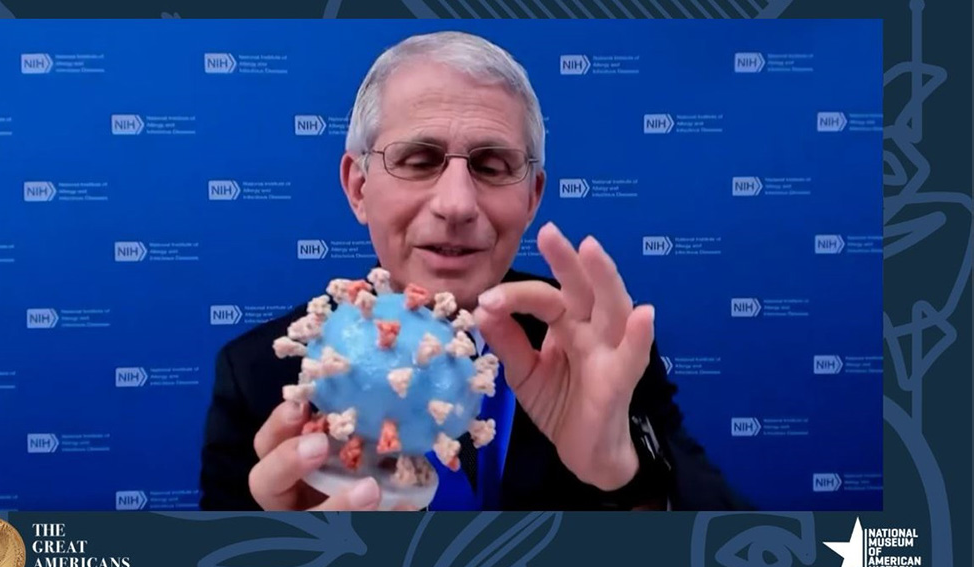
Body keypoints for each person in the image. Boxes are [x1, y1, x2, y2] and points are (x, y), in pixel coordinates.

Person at [199, 30, 754, 511]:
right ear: (358, 187)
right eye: (418, 160)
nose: (458, 203)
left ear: (533, 197)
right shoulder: (263, 379)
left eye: (493, 166)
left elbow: (748, 558)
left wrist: (626, 478)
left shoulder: (593, 348)